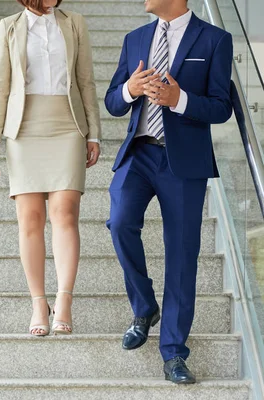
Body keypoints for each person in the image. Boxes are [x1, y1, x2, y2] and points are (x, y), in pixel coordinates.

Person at [104, 0, 233, 384]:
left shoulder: (215, 40)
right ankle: (145, 307)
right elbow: (112, 101)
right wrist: (129, 89)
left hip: (184, 162)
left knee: (181, 253)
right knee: (120, 222)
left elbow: (221, 107)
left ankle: (174, 352)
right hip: (139, 153)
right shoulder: (135, 38)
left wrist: (179, 100)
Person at [0, 0, 101, 336]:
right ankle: (38, 302)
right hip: (24, 128)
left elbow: (86, 81)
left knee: (65, 213)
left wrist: (94, 133)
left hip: (68, 125)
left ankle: (64, 299)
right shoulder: (8, 26)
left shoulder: (74, 22)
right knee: (30, 218)